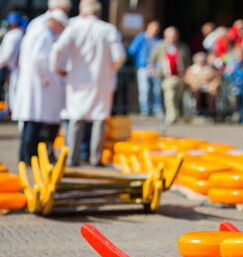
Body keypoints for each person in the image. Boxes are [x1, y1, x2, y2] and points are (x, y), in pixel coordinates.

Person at [50, 0, 126, 167]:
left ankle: (72, 158)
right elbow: (119, 56)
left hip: (77, 80)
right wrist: (109, 69)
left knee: (76, 118)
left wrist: (57, 69)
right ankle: (95, 158)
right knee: (99, 119)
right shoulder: (108, 29)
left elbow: (57, 49)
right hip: (101, 80)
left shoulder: (74, 27)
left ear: (82, 11)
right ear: (98, 13)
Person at [12, 10, 67, 164]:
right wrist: (47, 78)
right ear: (56, 23)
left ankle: (27, 157)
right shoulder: (44, 34)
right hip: (37, 83)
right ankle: (28, 158)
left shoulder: (38, 31)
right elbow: (39, 60)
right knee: (33, 124)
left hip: (34, 82)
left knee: (32, 123)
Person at [148, 26, 190, 124]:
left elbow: (187, 61)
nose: (172, 37)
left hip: (180, 76)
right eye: (170, 35)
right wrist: (153, 71)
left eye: (174, 35)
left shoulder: (182, 47)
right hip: (167, 77)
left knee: (179, 97)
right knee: (170, 96)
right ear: (165, 36)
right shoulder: (160, 46)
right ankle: (171, 116)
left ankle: (178, 115)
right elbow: (151, 60)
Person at [128, 20, 162, 117]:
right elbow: (131, 51)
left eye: (157, 30)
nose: (155, 31)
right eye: (153, 29)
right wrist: (139, 63)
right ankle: (145, 110)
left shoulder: (158, 40)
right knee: (144, 89)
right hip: (143, 67)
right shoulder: (140, 38)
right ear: (148, 28)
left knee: (157, 90)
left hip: (155, 68)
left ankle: (156, 110)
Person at [0, 13, 26, 112]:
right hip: (16, 69)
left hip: (15, 69)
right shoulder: (22, 33)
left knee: (15, 95)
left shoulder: (13, 35)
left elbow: (6, 56)